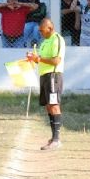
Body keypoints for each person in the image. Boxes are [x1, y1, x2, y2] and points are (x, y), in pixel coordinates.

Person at [26, 18, 65, 150]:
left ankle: (56, 139)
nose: (41, 33)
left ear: (50, 28)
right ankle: (53, 137)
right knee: (48, 106)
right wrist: (33, 59)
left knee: (54, 105)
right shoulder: (44, 42)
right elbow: (41, 60)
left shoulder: (57, 39)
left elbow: (56, 61)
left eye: (42, 31)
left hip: (53, 76)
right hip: (44, 77)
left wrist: (39, 58)